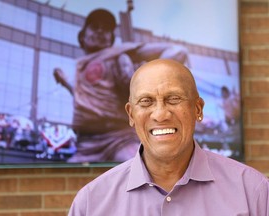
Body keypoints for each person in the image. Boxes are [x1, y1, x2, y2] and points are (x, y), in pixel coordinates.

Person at [68, 59, 269, 216]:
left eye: (173, 99)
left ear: (197, 109)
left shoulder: (253, 192)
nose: (161, 114)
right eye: (146, 102)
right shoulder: (91, 204)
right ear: (131, 115)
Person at [54, 9, 189, 163]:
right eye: (95, 26)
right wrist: (65, 82)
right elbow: (83, 98)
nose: (100, 30)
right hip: (86, 145)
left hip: (119, 140)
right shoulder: (80, 68)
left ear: (111, 38)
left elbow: (177, 51)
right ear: (82, 37)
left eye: (106, 29)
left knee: (136, 170)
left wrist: (148, 82)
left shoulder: (118, 54)